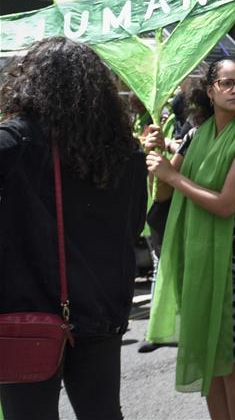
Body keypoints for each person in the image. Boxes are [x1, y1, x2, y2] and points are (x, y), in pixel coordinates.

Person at [0, 38, 147, 420]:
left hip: (27, 313)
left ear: (29, 82)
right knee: (102, 412)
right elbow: (134, 226)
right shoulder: (127, 152)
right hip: (101, 306)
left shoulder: (13, 144)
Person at [143, 57, 235, 419]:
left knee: (234, 359)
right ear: (210, 90)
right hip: (196, 255)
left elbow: (226, 204)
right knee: (209, 356)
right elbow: (164, 195)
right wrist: (155, 157)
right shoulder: (194, 135)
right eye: (227, 83)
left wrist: (172, 175)